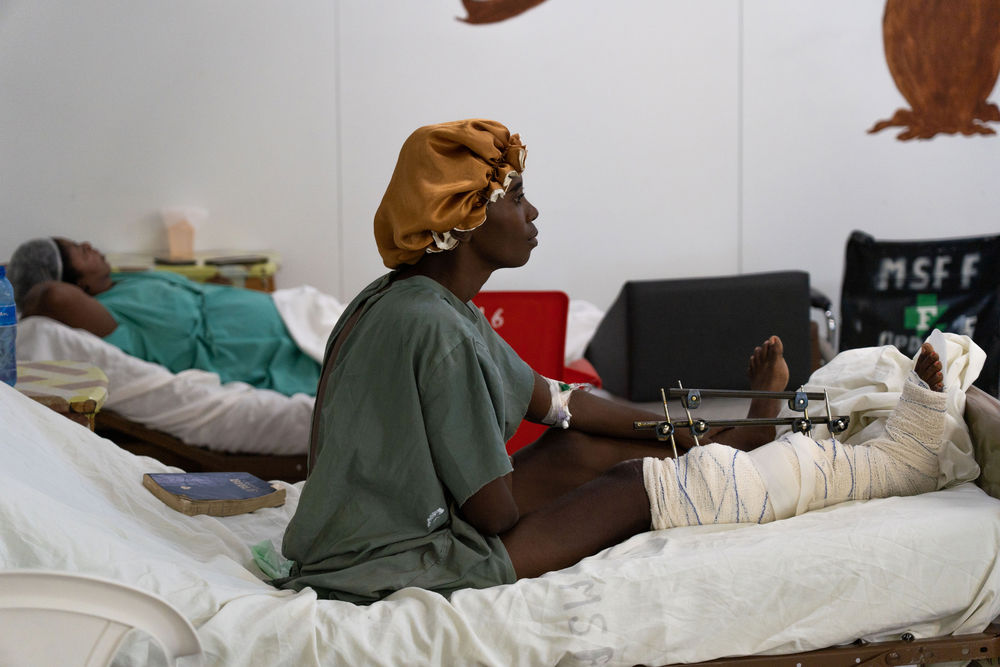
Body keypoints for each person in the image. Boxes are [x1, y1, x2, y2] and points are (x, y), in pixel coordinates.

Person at [276, 119, 948, 604]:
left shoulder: (417, 302)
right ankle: (765, 449)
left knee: (583, 448)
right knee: (628, 482)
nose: (533, 210)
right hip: (392, 560)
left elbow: (559, 401)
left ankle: (732, 438)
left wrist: (681, 427)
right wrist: (604, 469)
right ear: (468, 214)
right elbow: (493, 514)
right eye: (514, 197)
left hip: (358, 536)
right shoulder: (437, 328)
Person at [7, 237, 320, 396]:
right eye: (80, 251)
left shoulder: (126, 280)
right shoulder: (109, 319)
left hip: (292, 315)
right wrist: (14, 282)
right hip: (272, 357)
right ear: (77, 284)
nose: (89, 244)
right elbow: (51, 297)